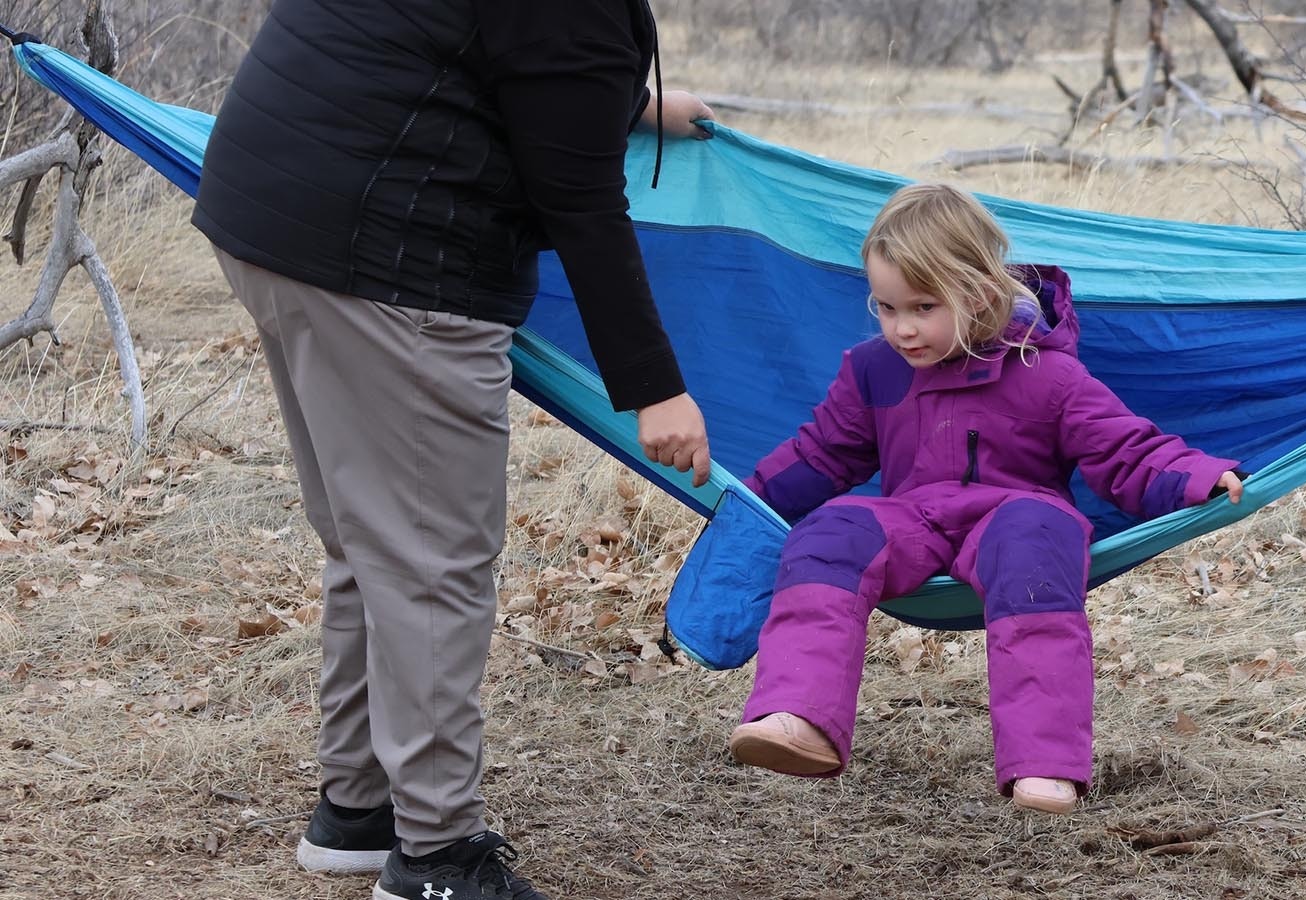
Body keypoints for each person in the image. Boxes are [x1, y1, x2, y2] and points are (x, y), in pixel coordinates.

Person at [191, 1, 713, 898]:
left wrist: (626, 104)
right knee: (432, 560)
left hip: (272, 211)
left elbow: (473, 45)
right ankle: (437, 857)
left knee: (375, 537)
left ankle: (359, 808)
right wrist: (654, 387)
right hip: (389, 256)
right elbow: (580, 197)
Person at [726, 184, 1244, 815]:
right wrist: (748, 500)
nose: (903, 328)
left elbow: (1121, 448)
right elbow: (823, 454)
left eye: (923, 306)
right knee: (830, 531)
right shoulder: (874, 370)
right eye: (886, 308)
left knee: (1034, 543)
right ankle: (798, 716)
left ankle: (1044, 766)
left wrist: (1193, 474)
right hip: (913, 518)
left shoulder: (1046, 373)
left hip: (1014, 514)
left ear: (977, 294)